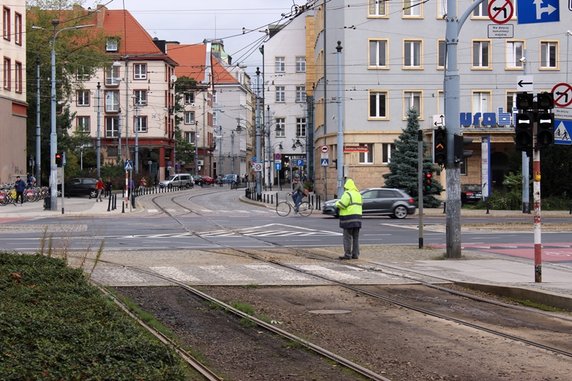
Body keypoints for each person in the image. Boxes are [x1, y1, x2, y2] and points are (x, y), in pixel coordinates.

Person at [335, 178, 363, 260]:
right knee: (356, 237)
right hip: (358, 218)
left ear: (346, 187)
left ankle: (347, 254)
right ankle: (355, 254)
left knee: (347, 237)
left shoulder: (347, 194)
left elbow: (342, 205)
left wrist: (337, 203)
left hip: (348, 218)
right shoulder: (358, 194)